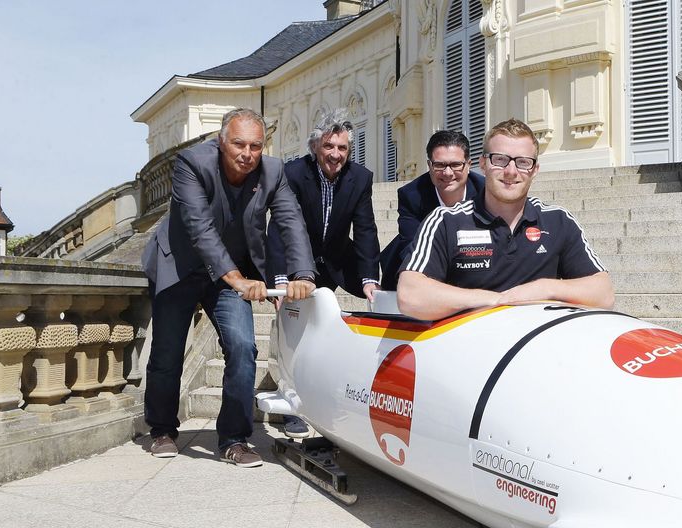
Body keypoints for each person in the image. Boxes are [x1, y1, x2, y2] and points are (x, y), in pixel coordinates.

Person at [141, 108, 316, 468]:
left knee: (243, 347)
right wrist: (236, 279)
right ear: (221, 141)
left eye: (255, 146)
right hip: (180, 265)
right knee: (167, 353)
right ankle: (162, 429)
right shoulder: (192, 163)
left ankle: (234, 439)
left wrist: (303, 274)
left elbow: (291, 222)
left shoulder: (273, 171)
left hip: (230, 273)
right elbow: (199, 228)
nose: (247, 153)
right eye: (239, 144)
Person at [397, 118, 614, 321]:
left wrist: (544, 288)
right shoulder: (446, 221)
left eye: (523, 162)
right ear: (483, 164)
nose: (511, 171)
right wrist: (495, 300)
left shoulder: (558, 221)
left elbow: (603, 294)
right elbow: (410, 295)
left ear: (535, 170)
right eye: (500, 160)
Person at [265, 109, 380, 439]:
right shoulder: (292, 173)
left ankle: (318, 393)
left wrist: (369, 278)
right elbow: (280, 227)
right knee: (294, 331)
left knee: (325, 331)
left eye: (342, 147)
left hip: (335, 262)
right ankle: (290, 403)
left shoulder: (361, 178)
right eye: (329, 146)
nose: (336, 154)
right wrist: (280, 278)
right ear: (316, 146)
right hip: (295, 263)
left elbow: (366, 229)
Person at [377, 129, 485, 290]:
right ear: (429, 166)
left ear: (468, 165)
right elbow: (411, 247)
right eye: (439, 165)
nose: (448, 173)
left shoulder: (486, 192)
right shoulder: (411, 196)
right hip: (427, 267)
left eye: (456, 165)